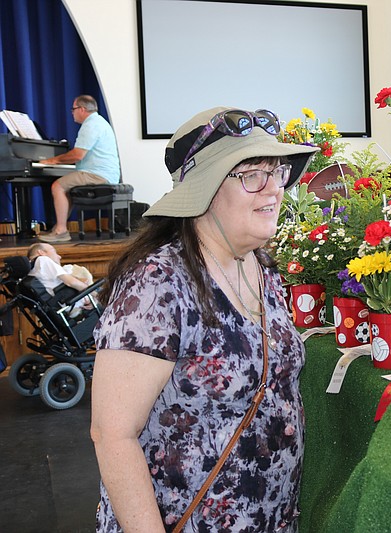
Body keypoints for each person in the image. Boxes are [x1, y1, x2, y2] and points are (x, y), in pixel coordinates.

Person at [90, 107, 318, 532]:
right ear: (204, 189)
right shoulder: (158, 283)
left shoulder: (262, 268)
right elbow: (112, 434)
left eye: (277, 171)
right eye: (252, 175)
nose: (274, 190)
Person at [37, 94, 121, 243]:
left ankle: (61, 231)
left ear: (82, 109)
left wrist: (52, 160)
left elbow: (78, 155)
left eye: (73, 109)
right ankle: (59, 227)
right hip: (105, 173)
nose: (72, 112)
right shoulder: (99, 122)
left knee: (57, 186)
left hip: (98, 174)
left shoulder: (91, 124)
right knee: (66, 187)